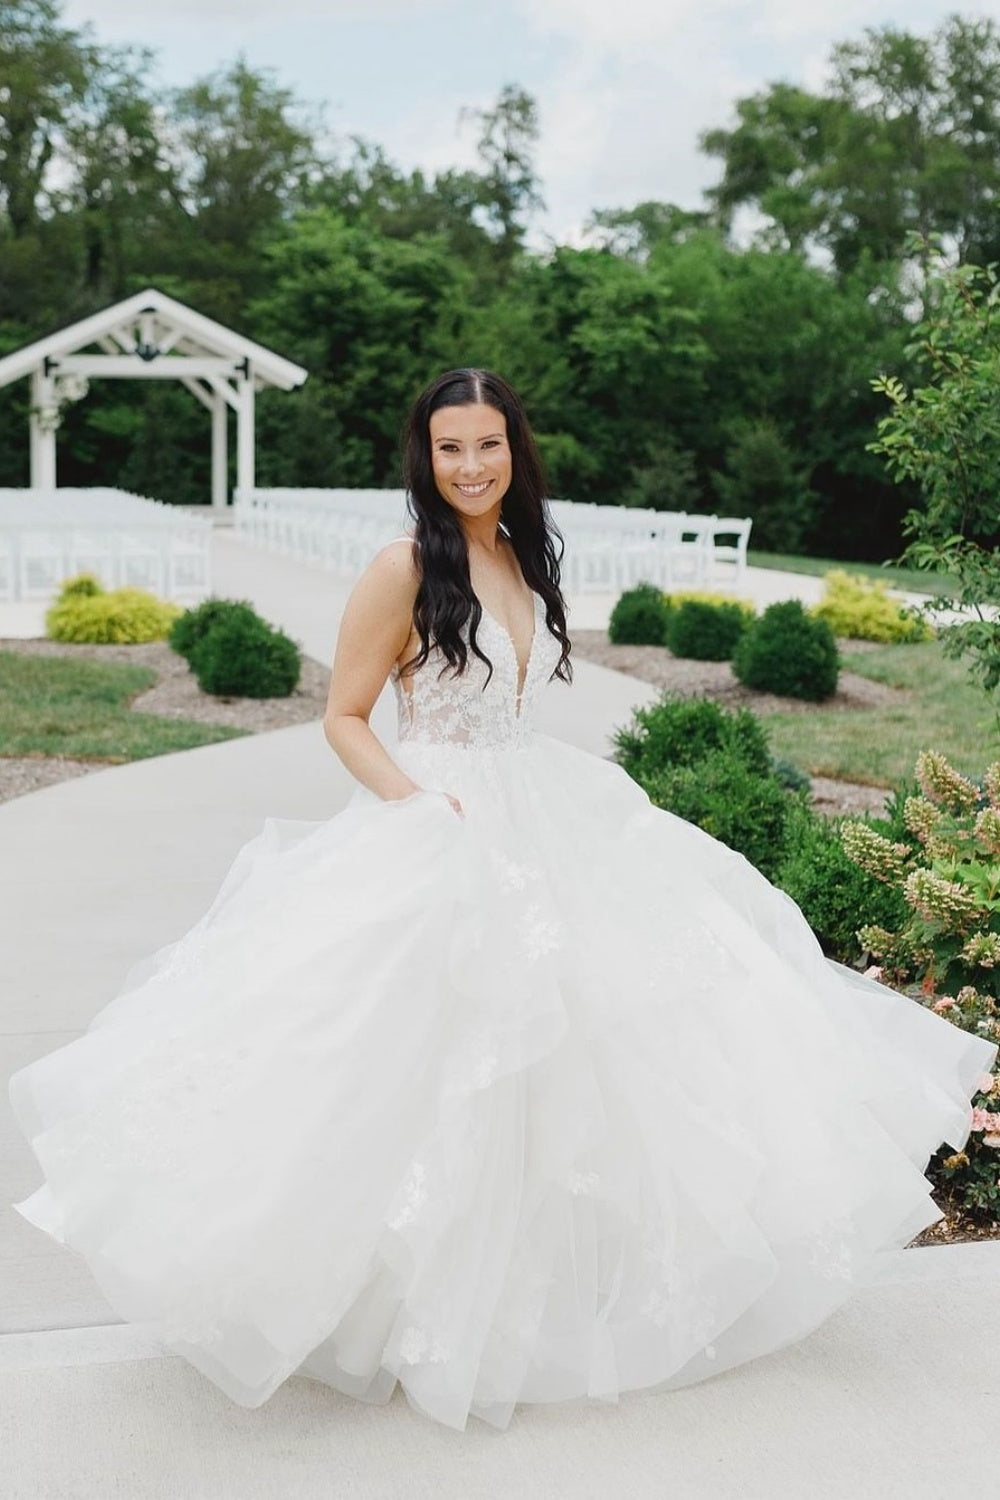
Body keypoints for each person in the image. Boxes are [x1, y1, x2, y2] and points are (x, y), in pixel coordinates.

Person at [8, 368, 996, 1435]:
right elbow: (344, 715)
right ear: (422, 459)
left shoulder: (524, 558)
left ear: (515, 451)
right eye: (448, 449)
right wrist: (416, 804)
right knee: (410, 1065)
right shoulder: (402, 567)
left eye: (487, 445)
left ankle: (537, 1293)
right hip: (438, 818)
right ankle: (392, 1307)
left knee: (584, 1057)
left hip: (543, 815)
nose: (469, 467)